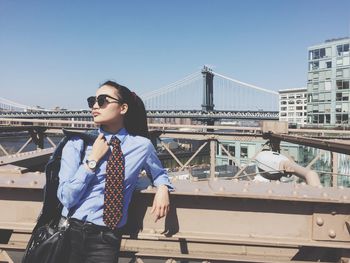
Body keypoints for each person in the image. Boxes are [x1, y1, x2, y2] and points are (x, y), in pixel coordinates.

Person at [57, 80, 174, 263]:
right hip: (69, 233)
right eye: (92, 101)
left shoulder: (142, 146)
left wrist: (163, 188)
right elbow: (66, 198)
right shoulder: (76, 144)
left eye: (102, 100)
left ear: (123, 108)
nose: (95, 106)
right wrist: (92, 161)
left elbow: (158, 173)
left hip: (107, 238)